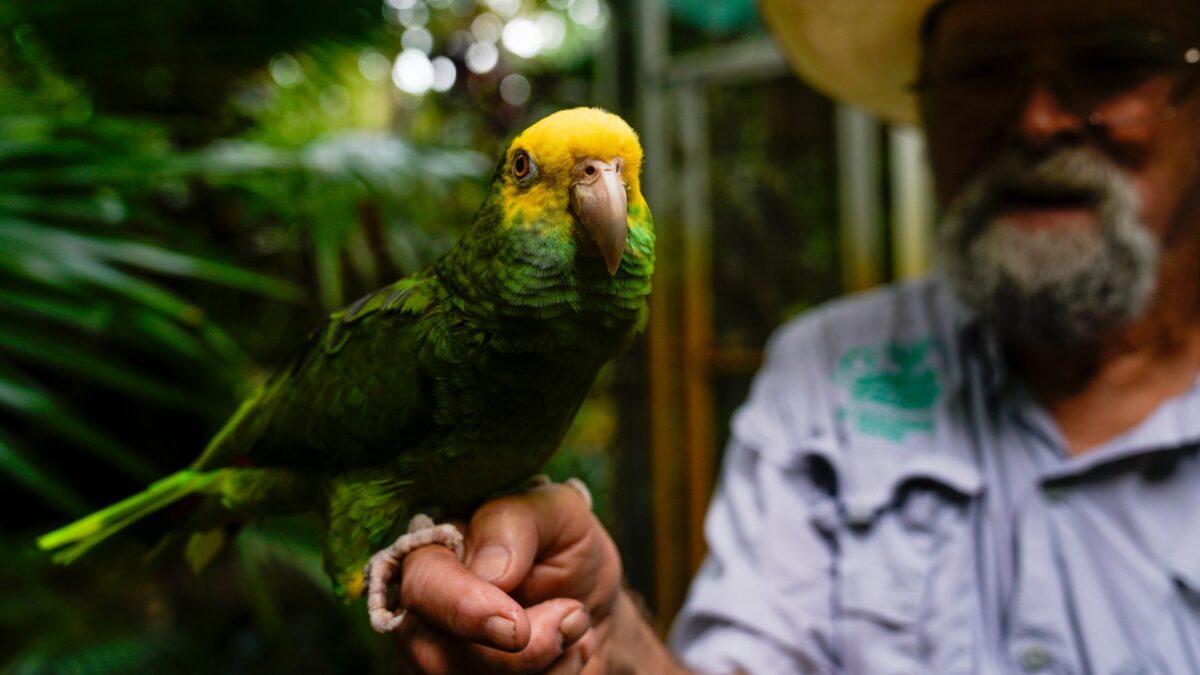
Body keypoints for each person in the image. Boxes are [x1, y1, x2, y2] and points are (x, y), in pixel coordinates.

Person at [391, 0, 1200, 671]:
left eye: (1111, 64)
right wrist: (607, 633)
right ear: (926, 107)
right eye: (983, 73)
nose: (1037, 119)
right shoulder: (827, 374)